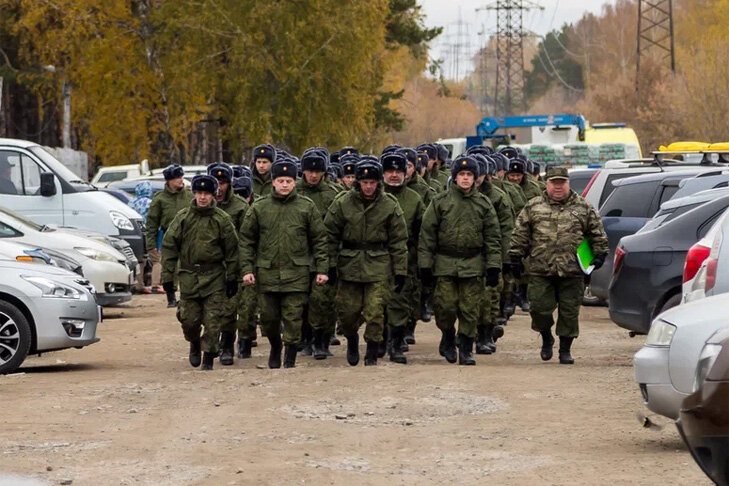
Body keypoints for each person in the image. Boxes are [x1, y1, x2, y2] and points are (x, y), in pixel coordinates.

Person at [509, 166, 608, 365]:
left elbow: (597, 233)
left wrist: (600, 254)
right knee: (538, 309)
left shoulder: (583, 207)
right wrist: (515, 257)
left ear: (568, 184)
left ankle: (565, 349)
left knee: (569, 312)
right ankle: (546, 336)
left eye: (561, 183)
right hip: (540, 269)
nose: (558, 187)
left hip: (572, 270)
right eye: (554, 183)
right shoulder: (533, 206)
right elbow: (520, 234)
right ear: (547, 184)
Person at [239, 159, 329, 369]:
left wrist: (322, 269)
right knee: (269, 319)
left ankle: (289, 356)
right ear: (273, 182)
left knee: (293, 317)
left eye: (289, 181)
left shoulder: (306, 207)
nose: (285, 185)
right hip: (267, 274)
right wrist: (247, 269)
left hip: (297, 274)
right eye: (281, 181)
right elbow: (246, 240)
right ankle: (275, 346)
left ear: (295, 182)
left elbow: (319, 240)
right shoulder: (260, 208)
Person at [324, 158, 408, 366]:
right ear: (358, 183)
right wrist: (329, 265)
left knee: (375, 310)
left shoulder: (389, 204)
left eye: (372, 182)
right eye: (364, 182)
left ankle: (372, 349)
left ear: (379, 182)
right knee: (347, 311)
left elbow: (398, 240)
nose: (368, 186)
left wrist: (400, 271)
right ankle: (352, 339)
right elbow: (329, 235)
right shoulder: (343, 202)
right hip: (349, 264)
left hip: (378, 264)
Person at [419, 155, 502, 366]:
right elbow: (427, 235)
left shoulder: (484, 204)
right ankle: (448, 336)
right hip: (445, 263)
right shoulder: (440, 202)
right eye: (461, 174)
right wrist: (425, 265)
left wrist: (493, 266)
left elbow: (493, 238)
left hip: (472, 264)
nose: (465, 178)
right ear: (455, 177)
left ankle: (466, 348)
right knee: (444, 307)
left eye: (469, 175)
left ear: (475, 178)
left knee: (470, 308)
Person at [161, 174, 239, 371]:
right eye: (199, 193)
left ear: (213, 195)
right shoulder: (183, 218)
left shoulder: (222, 220)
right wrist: (168, 279)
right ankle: (194, 342)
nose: (203, 197)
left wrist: (232, 278)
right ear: (194, 194)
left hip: (214, 277)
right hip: (189, 276)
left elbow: (232, 251)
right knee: (189, 320)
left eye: (207, 193)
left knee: (213, 321)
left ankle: (208, 358)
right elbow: (170, 247)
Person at [295, 150, 341, 359]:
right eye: (309, 171)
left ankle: (322, 340)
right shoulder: (294, 192)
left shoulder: (333, 194)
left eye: (317, 171)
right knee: (302, 301)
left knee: (324, 301)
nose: (313, 175)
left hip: (326, 254)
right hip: (298, 256)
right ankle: (305, 340)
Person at [381, 152, 425, 364]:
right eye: (390, 171)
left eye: (398, 171)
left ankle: (396, 344)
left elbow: (422, 233)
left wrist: (420, 261)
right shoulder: (373, 194)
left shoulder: (414, 199)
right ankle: (380, 340)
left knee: (399, 302)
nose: (394, 176)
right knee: (377, 302)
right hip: (375, 257)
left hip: (405, 258)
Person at [206, 162, 250, 366]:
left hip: (233, 264)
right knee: (209, 310)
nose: (220, 187)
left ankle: (227, 347)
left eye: (223, 182)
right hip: (208, 266)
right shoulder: (200, 204)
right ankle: (207, 345)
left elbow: (247, 238)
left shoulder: (240, 207)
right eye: (217, 182)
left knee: (230, 309)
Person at [474, 155, 514, 354]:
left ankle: (485, 335)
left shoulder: (497, 196)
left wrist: (506, 259)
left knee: (490, 297)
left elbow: (507, 229)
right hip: (465, 255)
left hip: (491, 254)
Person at [146, 164, 193, 307]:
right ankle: (171, 297)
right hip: (168, 236)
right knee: (168, 268)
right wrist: (151, 244)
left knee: (188, 267)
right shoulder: (160, 199)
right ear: (168, 181)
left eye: (181, 177)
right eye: (176, 178)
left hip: (188, 235)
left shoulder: (189, 196)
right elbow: (152, 223)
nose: (180, 180)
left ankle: (187, 297)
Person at [128, 180, 154, 294]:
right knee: (145, 259)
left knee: (136, 259)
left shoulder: (131, 203)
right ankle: (142, 284)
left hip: (133, 233)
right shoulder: (150, 203)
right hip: (147, 233)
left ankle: (136, 283)